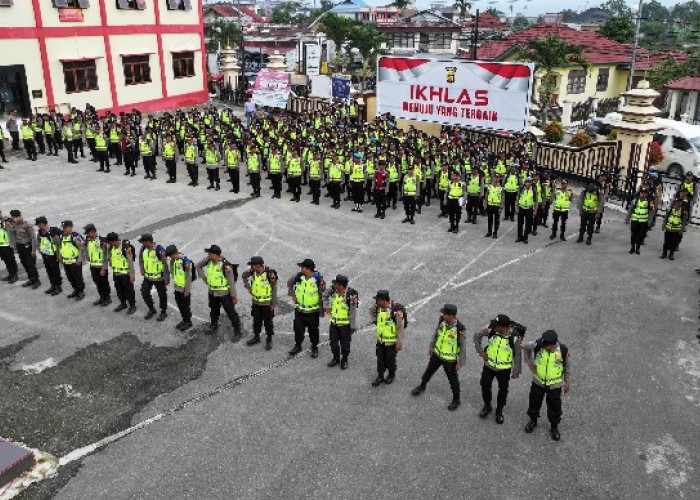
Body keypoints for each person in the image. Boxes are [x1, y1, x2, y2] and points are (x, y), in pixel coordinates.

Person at [411, 304, 467, 411]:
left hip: (449, 359)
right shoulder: (442, 321)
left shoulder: (460, 329)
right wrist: (431, 346)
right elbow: (436, 334)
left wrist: (460, 362)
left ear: (451, 315)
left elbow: (463, 347)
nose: (443, 315)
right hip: (437, 354)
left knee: (453, 379)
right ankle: (422, 386)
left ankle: (456, 399)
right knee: (428, 371)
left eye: (445, 313)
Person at [473, 314, 522, 424]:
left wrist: (516, 371)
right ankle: (487, 406)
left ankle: (499, 411)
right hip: (489, 365)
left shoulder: (514, 337)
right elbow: (477, 335)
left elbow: (518, 354)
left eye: (497, 325)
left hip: (504, 369)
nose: (493, 326)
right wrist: (480, 351)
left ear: (504, 327)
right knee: (485, 385)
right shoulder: (491, 329)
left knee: (503, 390)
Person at [523, 330, 571, 441]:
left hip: (554, 385)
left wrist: (567, 382)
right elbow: (525, 348)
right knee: (534, 402)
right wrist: (530, 364)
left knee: (554, 406)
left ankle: (554, 427)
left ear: (553, 345)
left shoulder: (563, 350)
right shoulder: (538, 345)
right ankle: (533, 421)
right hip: (538, 382)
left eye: (547, 346)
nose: (544, 347)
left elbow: (567, 368)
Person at [196, 244, 242, 338]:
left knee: (230, 312)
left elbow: (231, 282)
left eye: (210, 253)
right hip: (212, 292)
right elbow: (198, 266)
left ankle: (237, 331)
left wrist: (233, 297)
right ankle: (213, 324)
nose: (208, 255)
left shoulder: (225, 265)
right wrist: (203, 277)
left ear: (216, 254)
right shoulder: (208, 261)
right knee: (213, 309)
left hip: (224, 293)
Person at [287, 258, 325, 358]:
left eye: (302, 267)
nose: (301, 269)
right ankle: (298, 345)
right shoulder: (298, 277)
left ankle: (314, 346)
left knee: (313, 331)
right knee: (298, 330)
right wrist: (292, 295)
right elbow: (289, 283)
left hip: (313, 312)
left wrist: (322, 310)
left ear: (308, 269)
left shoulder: (318, 280)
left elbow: (323, 295)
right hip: (299, 310)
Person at [369, 290, 405, 386]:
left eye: (378, 300)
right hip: (380, 340)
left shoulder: (396, 312)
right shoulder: (378, 307)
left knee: (390, 360)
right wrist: (374, 321)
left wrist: (399, 343)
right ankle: (380, 376)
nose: (376, 302)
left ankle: (391, 374)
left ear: (384, 300)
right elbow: (371, 310)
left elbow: (400, 328)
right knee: (380, 359)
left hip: (391, 343)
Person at [242, 256, 278, 350]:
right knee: (256, 321)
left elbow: (274, 289)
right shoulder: (253, 271)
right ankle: (256, 337)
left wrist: (273, 303)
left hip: (266, 304)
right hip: (256, 302)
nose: (251, 267)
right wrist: (248, 287)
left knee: (268, 322)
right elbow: (243, 276)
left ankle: (269, 339)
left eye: (252, 265)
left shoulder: (270, 274)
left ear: (258, 265)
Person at [323, 274, 358, 370]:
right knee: (333, 343)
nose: (333, 285)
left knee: (345, 344)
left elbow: (353, 312)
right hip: (334, 323)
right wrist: (327, 307)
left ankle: (344, 359)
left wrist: (352, 326)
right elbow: (324, 295)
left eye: (335, 283)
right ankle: (336, 358)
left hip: (345, 326)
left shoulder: (351, 296)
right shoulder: (334, 291)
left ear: (340, 285)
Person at [138, 234, 169, 321]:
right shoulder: (143, 249)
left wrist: (167, 277)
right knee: (144, 292)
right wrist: (141, 268)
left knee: (162, 295)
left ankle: (163, 312)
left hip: (159, 278)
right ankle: (152, 309)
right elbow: (141, 258)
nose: (142, 244)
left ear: (148, 242)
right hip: (148, 277)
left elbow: (165, 265)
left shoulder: (159, 250)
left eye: (143, 242)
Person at [106, 232, 137, 315]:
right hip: (116, 273)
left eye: (110, 242)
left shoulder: (126, 248)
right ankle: (123, 303)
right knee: (119, 290)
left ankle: (132, 306)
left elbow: (130, 262)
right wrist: (110, 260)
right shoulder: (111, 247)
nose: (109, 244)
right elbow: (110, 256)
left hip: (125, 274)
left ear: (114, 241)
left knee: (129, 290)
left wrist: (132, 275)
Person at [165, 245, 194, 331]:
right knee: (180, 306)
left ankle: (188, 322)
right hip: (177, 288)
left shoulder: (185, 262)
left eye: (170, 256)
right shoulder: (174, 260)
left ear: (174, 254)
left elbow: (188, 277)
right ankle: (184, 320)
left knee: (185, 307)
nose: (170, 258)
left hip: (184, 289)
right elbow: (173, 272)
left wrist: (187, 290)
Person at [9, 209, 40, 288]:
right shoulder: (14, 225)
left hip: (28, 247)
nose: (15, 219)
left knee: (31, 264)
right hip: (20, 247)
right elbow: (13, 236)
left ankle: (36, 280)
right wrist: (15, 248)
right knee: (24, 264)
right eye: (13, 217)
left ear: (20, 216)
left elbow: (33, 238)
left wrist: (33, 250)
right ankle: (31, 279)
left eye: (16, 217)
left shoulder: (27, 225)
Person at [84, 223, 111, 306]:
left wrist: (104, 268)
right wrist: (87, 255)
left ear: (92, 232)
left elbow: (107, 255)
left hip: (101, 267)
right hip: (93, 266)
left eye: (88, 233)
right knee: (97, 283)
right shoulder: (88, 240)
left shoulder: (103, 241)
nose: (87, 235)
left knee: (104, 283)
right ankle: (102, 297)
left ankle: (107, 298)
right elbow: (87, 249)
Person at [57, 220, 85, 300]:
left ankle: (80, 291)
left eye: (65, 227)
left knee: (78, 277)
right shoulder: (62, 236)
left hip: (75, 262)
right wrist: (60, 257)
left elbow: (82, 248)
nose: (64, 229)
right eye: (63, 227)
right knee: (70, 277)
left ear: (70, 227)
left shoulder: (75, 236)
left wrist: (79, 259)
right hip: (66, 262)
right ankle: (75, 290)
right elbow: (61, 248)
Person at [35, 216, 62, 296]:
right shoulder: (40, 232)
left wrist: (58, 256)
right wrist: (40, 249)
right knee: (49, 271)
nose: (38, 227)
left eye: (38, 225)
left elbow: (58, 245)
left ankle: (58, 287)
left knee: (55, 271)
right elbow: (38, 241)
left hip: (53, 255)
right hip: (45, 254)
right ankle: (53, 285)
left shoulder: (53, 232)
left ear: (42, 224)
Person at [625, 188, 650, 255]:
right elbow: (630, 210)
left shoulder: (649, 202)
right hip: (635, 220)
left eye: (644, 193)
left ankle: (637, 248)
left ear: (647, 194)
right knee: (633, 235)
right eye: (642, 192)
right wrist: (627, 219)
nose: (643, 194)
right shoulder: (635, 201)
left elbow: (651, 212)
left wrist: (649, 222)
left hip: (643, 221)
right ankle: (632, 248)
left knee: (640, 235)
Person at [515, 177, 537, 244]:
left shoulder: (534, 190)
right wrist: (516, 208)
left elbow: (536, 201)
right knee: (520, 224)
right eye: (527, 182)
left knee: (528, 225)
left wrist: (535, 210)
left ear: (531, 183)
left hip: (529, 209)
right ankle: (519, 237)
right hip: (521, 208)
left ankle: (525, 238)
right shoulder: (521, 189)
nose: (528, 183)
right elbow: (517, 199)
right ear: (525, 183)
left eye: (529, 182)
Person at [0, 210, 19, 283]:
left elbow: (14, 228)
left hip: (7, 244)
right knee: (6, 260)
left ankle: (15, 275)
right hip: (0, 245)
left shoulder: (6, 220)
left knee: (11, 260)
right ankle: (10, 274)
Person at [484, 173, 504, 238]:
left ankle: (495, 232)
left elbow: (502, 198)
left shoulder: (501, 188)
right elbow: (486, 196)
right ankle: (489, 232)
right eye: (495, 177)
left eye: (497, 178)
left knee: (496, 220)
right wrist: (485, 204)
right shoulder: (489, 187)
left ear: (499, 179)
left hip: (497, 206)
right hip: (490, 205)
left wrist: (501, 207)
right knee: (489, 219)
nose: (496, 179)